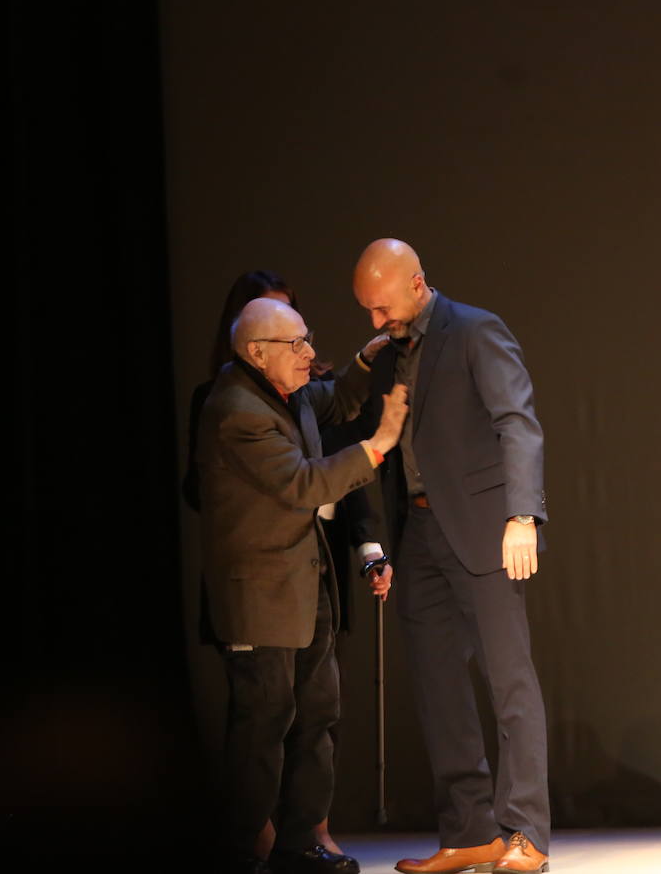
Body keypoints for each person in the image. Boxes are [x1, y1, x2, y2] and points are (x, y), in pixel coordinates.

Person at [351, 239, 551, 874]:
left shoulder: (475, 331)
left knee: (507, 680)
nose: (376, 323)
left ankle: (526, 834)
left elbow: (517, 422)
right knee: (440, 689)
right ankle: (471, 832)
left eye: (382, 308)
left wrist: (522, 516)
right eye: (367, 312)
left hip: (487, 528)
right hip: (420, 533)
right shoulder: (385, 353)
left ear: (417, 284)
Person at [197, 296, 407, 874]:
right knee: (264, 726)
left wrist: (367, 357)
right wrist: (380, 442)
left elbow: (333, 394)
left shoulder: (284, 394)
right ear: (257, 353)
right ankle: (242, 850)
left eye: (308, 339)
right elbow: (302, 483)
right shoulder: (237, 410)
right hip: (260, 597)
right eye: (297, 345)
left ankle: (299, 842)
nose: (310, 353)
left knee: (318, 716)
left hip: (306, 588)